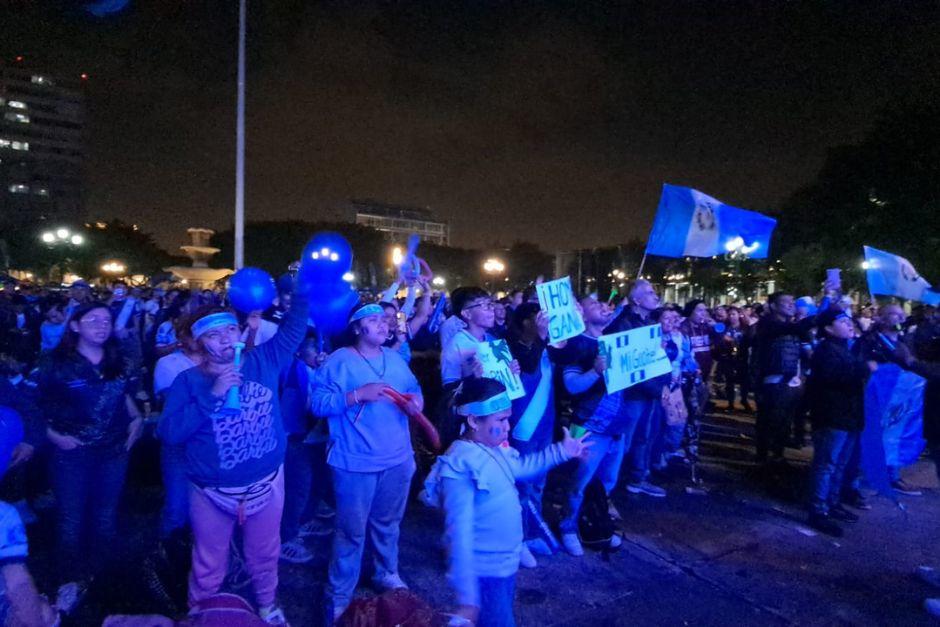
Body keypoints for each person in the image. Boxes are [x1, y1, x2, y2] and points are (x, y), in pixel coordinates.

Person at [159, 284, 309, 626]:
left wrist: (303, 288)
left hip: (267, 482)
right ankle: (200, 613)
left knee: (265, 553)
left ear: (241, 330)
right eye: (214, 335)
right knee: (209, 559)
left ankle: (268, 606)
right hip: (212, 490)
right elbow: (170, 434)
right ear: (200, 344)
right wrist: (213, 395)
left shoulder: (263, 359)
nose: (225, 338)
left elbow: (295, 329)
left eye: (230, 329)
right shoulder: (187, 382)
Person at [424, 378, 589, 627]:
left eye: (507, 418)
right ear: (473, 420)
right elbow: (458, 534)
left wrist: (561, 452)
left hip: (504, 565)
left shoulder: (493, 449)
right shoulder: (459, 465)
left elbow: (523, 467)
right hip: (485, 571)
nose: (508, 426)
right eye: (500, 420)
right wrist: (468, 599)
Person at [310, 303, 423, 622]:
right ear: (357, 328)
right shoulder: (338, 362)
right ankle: (339, 592)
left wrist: (416, 402)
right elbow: (316, 404)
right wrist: (355, 395)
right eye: (374, 320)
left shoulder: (396, 359)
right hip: (354, 461)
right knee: (351, 531)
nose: (384, 325)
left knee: (388, 523)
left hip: (398, 458)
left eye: (385, 320)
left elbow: (414, 390)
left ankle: (386, 573)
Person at [38, 302, 145, 590]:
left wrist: (137, 419)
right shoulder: (55, 363)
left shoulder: (118, 360)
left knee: (106, 514)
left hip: (113, 450)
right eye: (93, 319)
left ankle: (101, 580)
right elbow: (33, 407)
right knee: (70, 517)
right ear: (75, 325)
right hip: (72, 452)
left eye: (107, 320)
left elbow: (122, 396)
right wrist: (55, 437)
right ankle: (69, 580)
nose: (102, 324)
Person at [806, 309, 876, 537]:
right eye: (843, 321)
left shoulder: (845, 349)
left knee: (839, 463)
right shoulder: (825, 351)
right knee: (826, 464)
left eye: (849, 321)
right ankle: (818, 510)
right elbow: (835, 377)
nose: (849, 325)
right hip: (832, 417)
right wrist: (865, 369)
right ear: (828, 328)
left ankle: (832, 502)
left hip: (849, 416)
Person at [604, 280, 671, 498]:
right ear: (637, 300)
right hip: (633, 394)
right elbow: (627, 365)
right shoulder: (624, 323)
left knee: (644, 436)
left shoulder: (650, 323)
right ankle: (607, 490)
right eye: (650, 292)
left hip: (650, 392)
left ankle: (637, 478)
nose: (655, 296)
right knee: (623, 441)